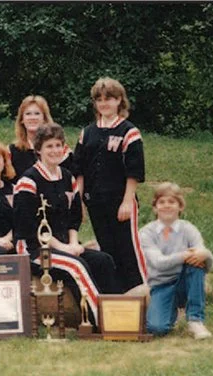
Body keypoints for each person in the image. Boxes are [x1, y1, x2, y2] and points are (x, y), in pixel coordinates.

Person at [14, 123, 120, 327]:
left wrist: (73, 244)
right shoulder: (28, 181)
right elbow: (29, 226)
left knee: (103, 260)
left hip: (65, 245)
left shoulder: (68, 177)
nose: (55, 150)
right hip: (34, 250)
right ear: (38, 150)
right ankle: (105, 323)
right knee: (75, 265)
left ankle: (124, 316)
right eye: (49, 146)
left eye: (58, 145)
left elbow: (74, 217)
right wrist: (64, 248)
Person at [74, 77, 147, 292]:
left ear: (119, 101)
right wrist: (79, 201)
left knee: (127, 249)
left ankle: (141, 294)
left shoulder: (129, 132)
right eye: (99, 99)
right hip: (95, 202)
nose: (104, 103)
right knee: (107, 248)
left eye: (109, 99)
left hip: (120, 202)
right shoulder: (87, 132)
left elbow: (134, 171)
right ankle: (117, 295)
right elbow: (79, 169)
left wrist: (127, 201)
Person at [140, 182, 213, 339]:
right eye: (162, 202)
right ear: (155, 208)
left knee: (197, 262)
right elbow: (158, 263)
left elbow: (206, 260)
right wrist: (183, 255)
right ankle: (171, 312)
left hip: (185, 281)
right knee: (157, 328)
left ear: (180, 206)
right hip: (161, 285)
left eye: (172, 202)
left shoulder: (188, 229)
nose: (167, 205)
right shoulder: (146, 233)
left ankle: (195, 320)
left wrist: (205, 254)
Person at [9, 95, 75, 182]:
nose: (33, 118)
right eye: (28, 114)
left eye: (37, 113)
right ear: (22, 119)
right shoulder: (11, 152)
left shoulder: (61, 151)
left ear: (44, 118)